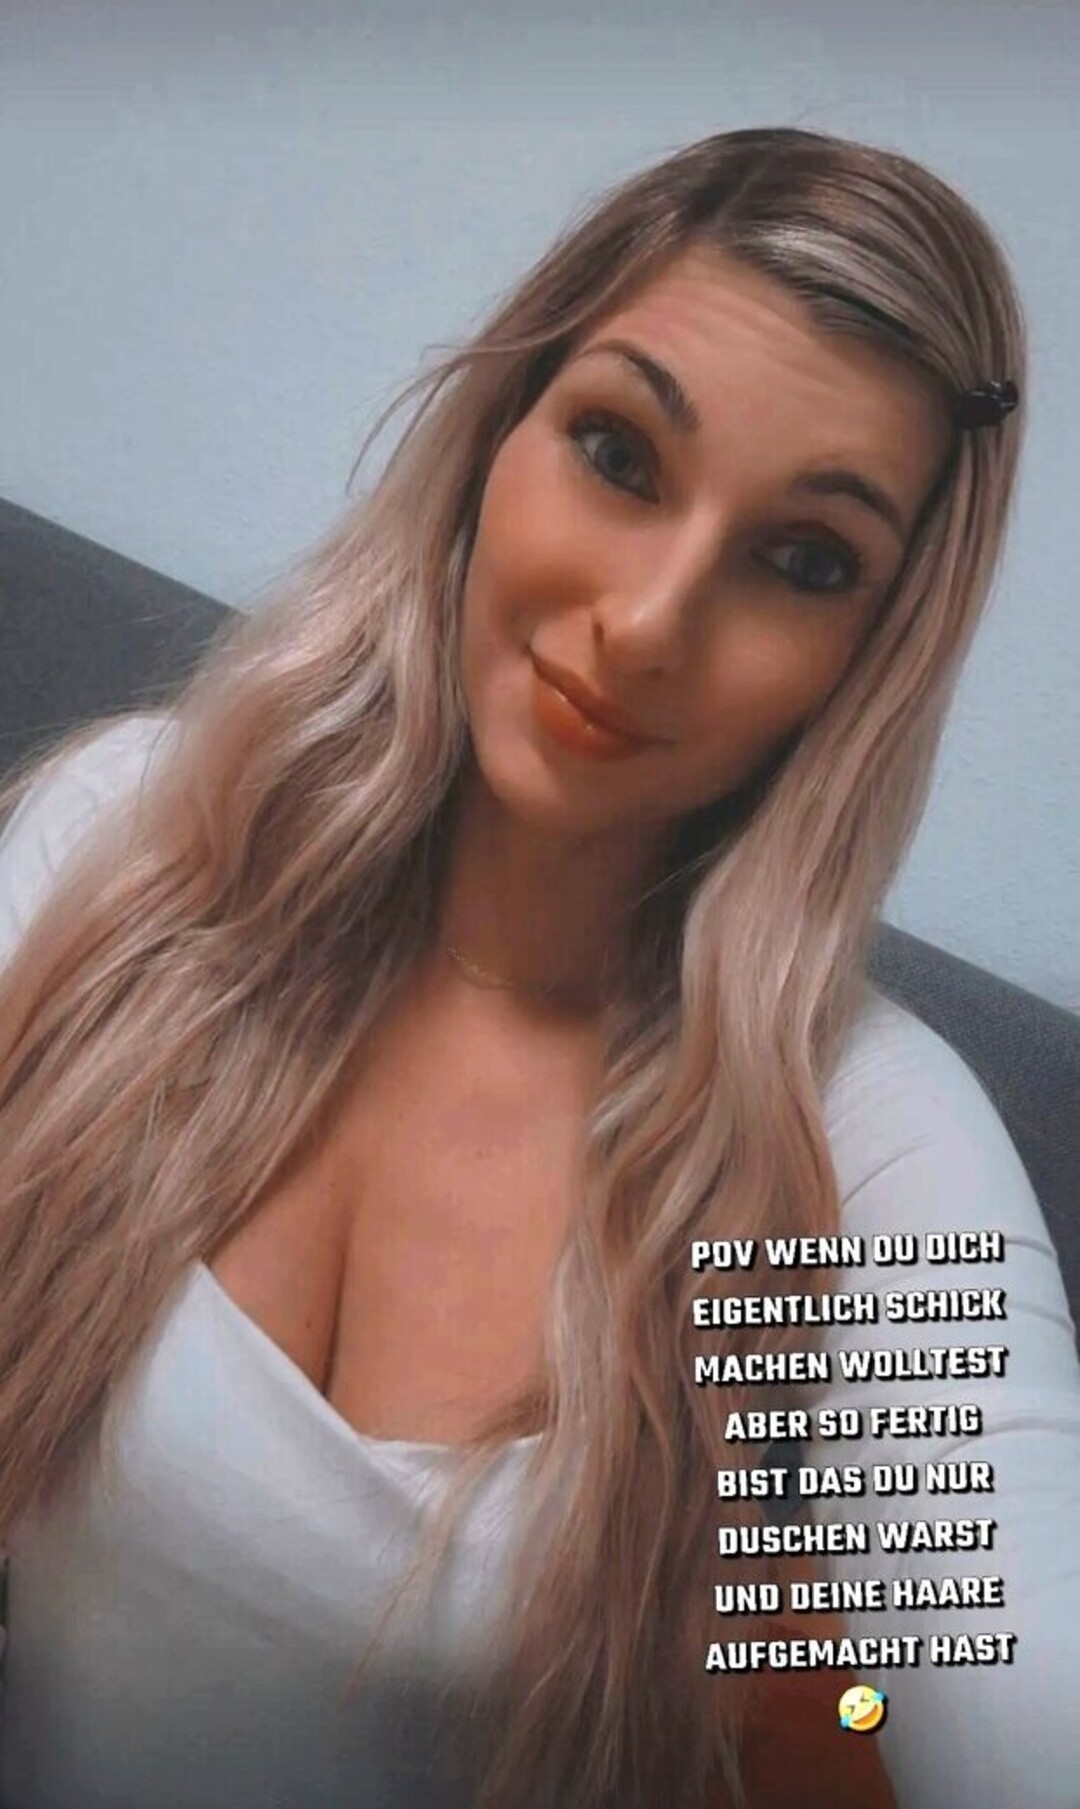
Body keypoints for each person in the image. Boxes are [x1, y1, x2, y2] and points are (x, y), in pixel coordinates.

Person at [0, 125, 1076, 1809]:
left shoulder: (865, 1146)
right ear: (501, 425)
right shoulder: (137, 836)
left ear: (866, 662)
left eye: (805, 561)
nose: (647, 621)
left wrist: (821, 1691)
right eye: (620, 452)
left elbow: (1012, 1711)